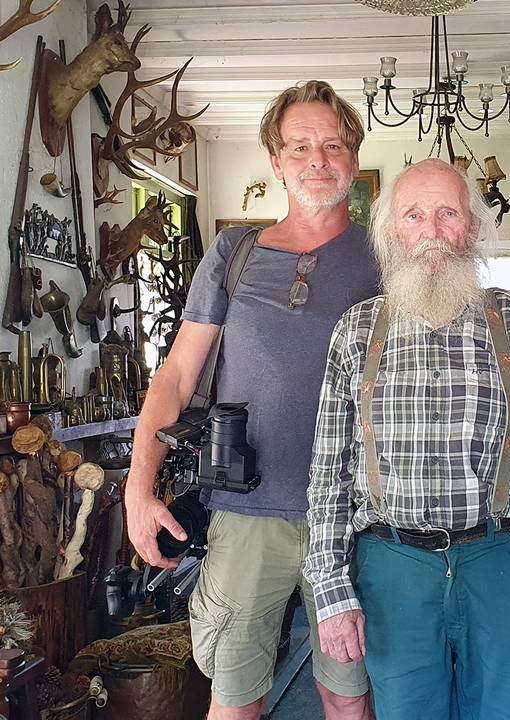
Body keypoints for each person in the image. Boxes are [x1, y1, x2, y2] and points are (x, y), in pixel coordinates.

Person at [125, 80, 380, 720]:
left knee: (347, 695)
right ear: (275, 160)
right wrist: (139, 488)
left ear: (353, 156)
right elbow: (176, 377)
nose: (316, 159)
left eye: (332, 144)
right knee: (236, 698)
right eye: (299, 146)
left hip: (357, 517)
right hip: (246, 514)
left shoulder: (388, 256)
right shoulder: (233, 253)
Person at [305, 159, 510, 720]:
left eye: (447, 213)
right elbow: (327, 475)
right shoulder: (357, 330)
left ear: (473, 227)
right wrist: (333, 591)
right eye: (413, 215)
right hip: (392, 569)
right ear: (390, 234)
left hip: (504, 561)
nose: (431, 230)